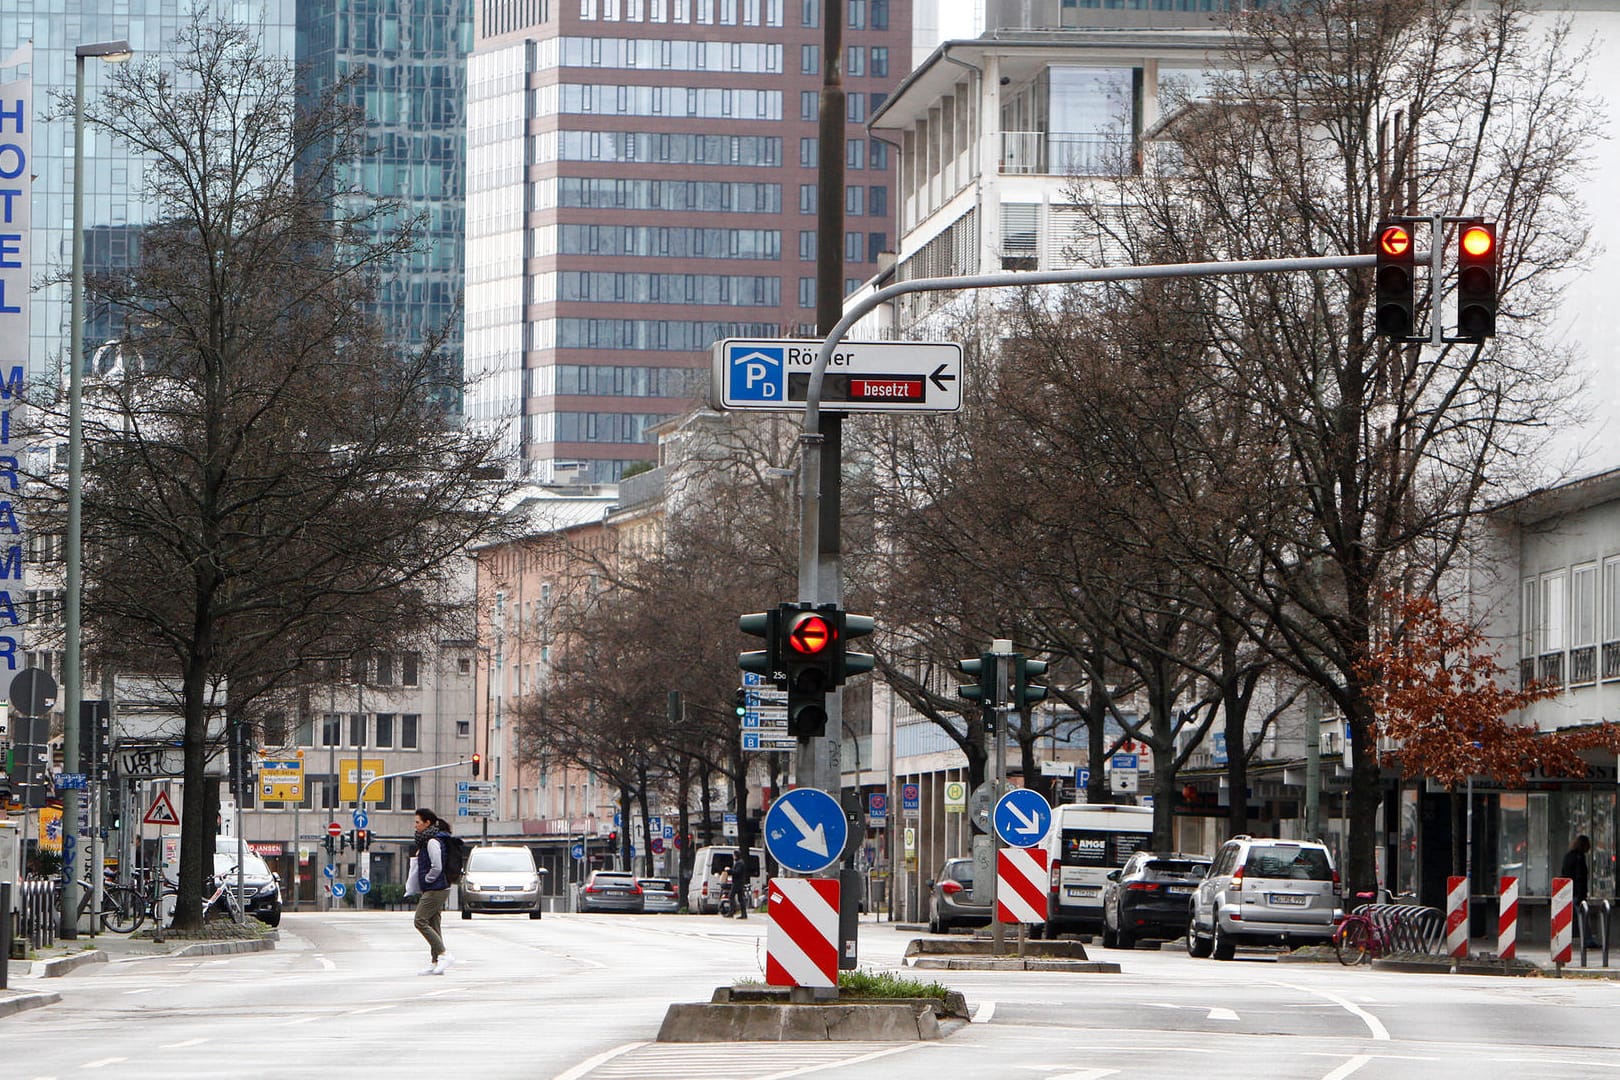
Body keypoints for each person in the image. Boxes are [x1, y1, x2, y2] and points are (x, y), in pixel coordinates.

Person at [406, 809, 456, 974]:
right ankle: (435, 962)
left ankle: (444, 954)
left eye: (418, 822)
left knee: (419, 920)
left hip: (436, 888)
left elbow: (437, 866)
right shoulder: (425, 841)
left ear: (427, 823)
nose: (415, 825)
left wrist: (428, 878)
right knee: (434, 924)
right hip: (433, 888)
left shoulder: (432, 842)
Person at [1560, 834, 1596, 947]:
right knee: (1583, 917)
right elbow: (1580, 877)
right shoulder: (1579, 857)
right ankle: (1588, 940)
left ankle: (1563, 940)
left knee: (1570, 918)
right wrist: (1581, 895)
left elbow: (1564, 873)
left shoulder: (1568, 856)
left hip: (1569, 891)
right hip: (1577, 892)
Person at [729, 852, 753, 920]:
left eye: (734, 855)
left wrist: (729, 871)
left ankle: (732, 911)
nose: (733, 857)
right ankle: (743, 914)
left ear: (736, 856)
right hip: (740, 882)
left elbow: (737, 872)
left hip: (737, 883)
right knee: (740, 898)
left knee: (731, 896)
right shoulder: (740, 862)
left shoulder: (739, 863)